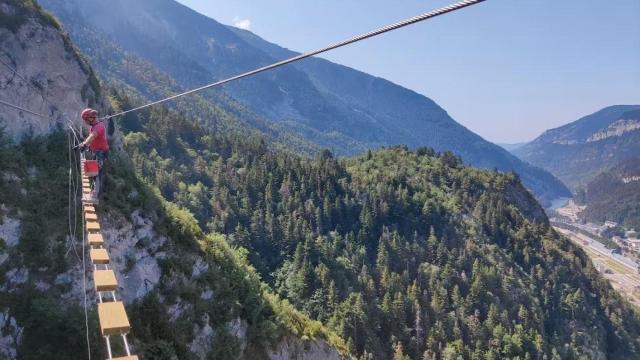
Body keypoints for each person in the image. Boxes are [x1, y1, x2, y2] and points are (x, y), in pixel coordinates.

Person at [78, 108, 109, 203]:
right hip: (98, 152)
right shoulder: (96, 125)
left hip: (100, 153)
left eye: (86, 120)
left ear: (90, 118)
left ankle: (94, 196)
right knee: (93, 172)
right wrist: (87, 145)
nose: (85, 122)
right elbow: (94, 139)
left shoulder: (98, 127)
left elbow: (93, 136)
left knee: (97, 174)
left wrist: (84, 144)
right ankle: (93, 193)